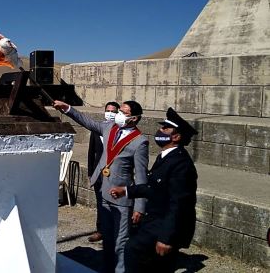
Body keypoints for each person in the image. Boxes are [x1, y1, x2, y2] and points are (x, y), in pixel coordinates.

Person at [53, 100, 149, 273]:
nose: (119, 114)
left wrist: (140, 207)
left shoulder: (139, 141)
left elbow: (141, 176)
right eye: (119, 110)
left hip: (122, 198)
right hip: (105, 193)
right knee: (108, 241)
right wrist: (67, 108)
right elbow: (87, 121)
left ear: (134, 118)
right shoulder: (110, 128)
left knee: (121, 242)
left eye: (124, 113)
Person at [109, 107, 198, 273]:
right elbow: (153, 187)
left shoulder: (181, 165)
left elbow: (179, 204)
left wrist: (166, 238)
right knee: (152, 264)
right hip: (155, 220)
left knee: (133, 250)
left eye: (165, 128)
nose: (160, 130)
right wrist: (127, 191)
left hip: (165, 224)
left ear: (176, 137)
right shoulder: (165, 157)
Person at [87, 101, 120, 243]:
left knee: (113, 202)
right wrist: (90, 172)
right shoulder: (96, 129)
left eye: (113, 111)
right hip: (98, 173)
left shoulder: (120, 130)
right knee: (100, 202)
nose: (110, 114)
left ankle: (115, 229)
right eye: (108, 110)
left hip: (113, 173)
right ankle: (100, 229)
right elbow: (91, 152)